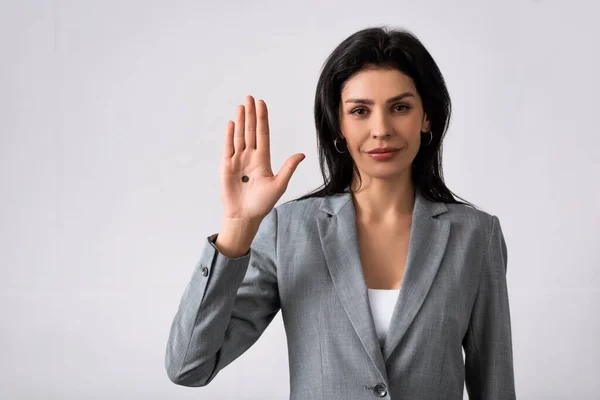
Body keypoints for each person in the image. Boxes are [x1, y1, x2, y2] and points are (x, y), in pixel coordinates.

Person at [165, 26, 516, 399]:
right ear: (339, 124)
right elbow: (189, 366)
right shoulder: (290, 230)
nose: (381, 129)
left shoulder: (475, 235)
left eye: (400, 107)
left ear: (426, 117)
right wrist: (237, 229)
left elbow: (494, 386)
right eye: (360, 111)